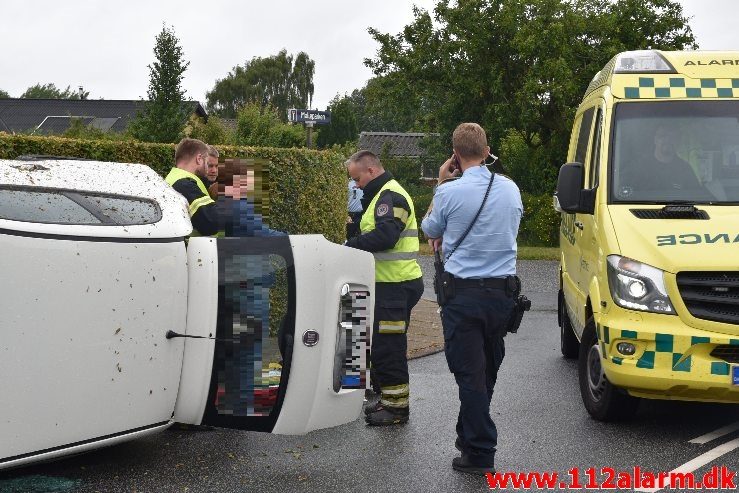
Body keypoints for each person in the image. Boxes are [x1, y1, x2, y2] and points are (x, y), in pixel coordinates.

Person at [421, 123, 522, 475]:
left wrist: (441, 182)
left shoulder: (450, 192)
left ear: (455, 154)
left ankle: (480, 451)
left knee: (471, 375)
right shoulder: (510, 189)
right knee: (486, 368)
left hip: (463, 296)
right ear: (487, 148)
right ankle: (468, 435)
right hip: (502, 296)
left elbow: (430, 230)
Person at [345, 150, 424, 426]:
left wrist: (349, 246)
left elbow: (387, 236)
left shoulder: (391, 196)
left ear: (371, 171)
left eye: (357, 178)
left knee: (388, 347)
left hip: (395, 285)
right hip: (390, 284)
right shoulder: (381, 196)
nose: (355, 185)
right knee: (383, 345)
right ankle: (390, 401)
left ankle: (397, 409)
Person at [622, 125, 701, 192]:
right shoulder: (638, 167)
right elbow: (624, 194)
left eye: (673, 137)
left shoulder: (685, 169)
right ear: (655, 139)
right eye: (663, 136)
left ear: (678, 141)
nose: (667, 140)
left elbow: (696, 196)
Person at [165, 138, 218, 236]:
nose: (208, 168)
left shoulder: (173, 178)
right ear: (199, 159)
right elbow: (212, 222)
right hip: (193, 250)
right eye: (207, 163)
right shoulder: (184, 185)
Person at [346, 171, 364, 240]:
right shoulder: (349, 184)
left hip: (361, 214)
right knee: (349, 236)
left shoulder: (364, 183)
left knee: (360, 236)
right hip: (350, 215)